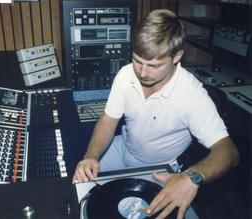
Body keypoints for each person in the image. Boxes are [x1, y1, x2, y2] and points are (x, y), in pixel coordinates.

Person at [73, 9, 239, 219]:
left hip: (159, 166)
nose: (142, 73)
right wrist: (91, 156)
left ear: (177, 56)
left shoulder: (192, 95)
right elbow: (108, 120)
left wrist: (193, 177)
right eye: (137, 60)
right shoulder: (126, 74)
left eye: (154, 65)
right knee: (79, 186)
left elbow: (229, 152)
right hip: (122, 146)